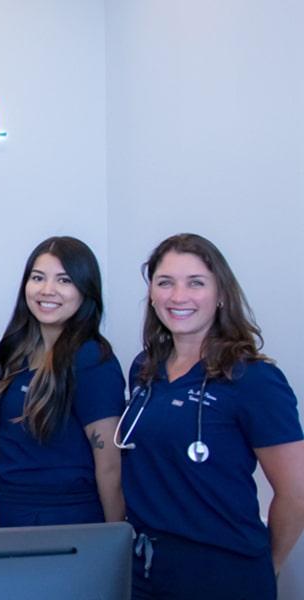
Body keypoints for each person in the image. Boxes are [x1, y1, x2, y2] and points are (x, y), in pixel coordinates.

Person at [117, 233, 304, 600]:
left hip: (224, 572)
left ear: (221, 294)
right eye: (165, 282)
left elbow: (296, 494)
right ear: (152, 293)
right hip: (145, 569)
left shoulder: (253, 379)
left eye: (196, 283)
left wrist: (267, 567)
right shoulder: (145, 369)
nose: (178, 296)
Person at [0, 236, 125, 527]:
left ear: (86, 290)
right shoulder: (16, 352)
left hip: (65, 519)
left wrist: (116, 541)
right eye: (38, 278)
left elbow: (110, 466)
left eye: (64, 280)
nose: (48, 290)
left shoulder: (91, 359)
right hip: (9, 512)